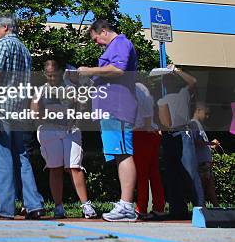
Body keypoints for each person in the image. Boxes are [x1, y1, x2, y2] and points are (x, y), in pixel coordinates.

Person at [0, 15, 44, 220]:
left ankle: (5, 208)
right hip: (18, 107)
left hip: (1, 106)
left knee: (0, 157)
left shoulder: (2, 44)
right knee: (20, 155)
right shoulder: (24, 49)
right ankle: (34, 205)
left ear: (5, 27)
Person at [78, 20, 138, 222]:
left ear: (103, 31)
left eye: (96, 38)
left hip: (118, 108)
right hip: (111, 109)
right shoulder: (115, 46)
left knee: (124, 153)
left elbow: (119, 70)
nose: (96, 43)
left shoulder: (120, 42)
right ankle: (125, 203)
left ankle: (127, 206)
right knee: (120, 154)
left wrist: (90, 71)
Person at [33, 60, 96, 219]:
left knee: (75, 166)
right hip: (49, 130)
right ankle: (58, 207)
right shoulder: (41, 91)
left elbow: (83, 108)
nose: (51, 78)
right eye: (48, 75)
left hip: (70, 130)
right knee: (55, 168)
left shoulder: (72, 88)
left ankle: (86, 205)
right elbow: (34, 112)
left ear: (61, 73)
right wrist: (50, 115)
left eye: (54, 75)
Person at [157, 64, 205, 219]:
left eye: (169, 80)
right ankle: (178, 209)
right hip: (170, 135)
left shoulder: (183, 93)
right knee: (173, 173)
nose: (167, 83)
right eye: (166, 80)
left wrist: (177, 70)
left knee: (190, 171)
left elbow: (193, 81)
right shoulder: (163, 100)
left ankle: (199, 208)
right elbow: (164, 122)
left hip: (182, 133)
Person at [133, 81, 166, 220]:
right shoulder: (141, 87)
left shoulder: (135, 88)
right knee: (153, 172)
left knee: (142, 173)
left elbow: (146, 111)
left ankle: (142, 208)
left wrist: (146, 127)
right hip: (149, 132)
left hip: (141, 132)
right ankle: (158, 207)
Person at [190, 104, 220, 207]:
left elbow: (201, 143)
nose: (207, 117)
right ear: (198, 110)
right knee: (203, 186)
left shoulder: (198, 124)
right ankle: (201, 207)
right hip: (201, 163)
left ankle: (216, 207)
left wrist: (210, 146)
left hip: (206, 162)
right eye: (206, 114)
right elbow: (195, 142)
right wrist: (210, 143)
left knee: (210, 185)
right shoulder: (193, 124)